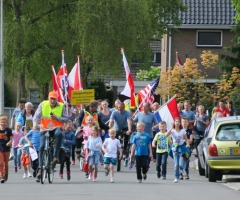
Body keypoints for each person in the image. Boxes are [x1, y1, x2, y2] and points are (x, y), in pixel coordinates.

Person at [33, 91, 68, 179]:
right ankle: (40, 168)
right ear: (48, 98)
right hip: (44, 128)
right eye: (51, 99)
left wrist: (57, 118)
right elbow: (36, 117)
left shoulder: (61, 106)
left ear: (57, 99)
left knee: (59, 134)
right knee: (41, 147)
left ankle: (55, 156)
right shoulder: (43, 104)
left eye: (54, 99)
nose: (52, 101)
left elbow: (66, 118)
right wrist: (36, 124)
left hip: (56, 128)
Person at [166, 117, 189, 183]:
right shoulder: (172, 130)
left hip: (182, 147)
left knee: (181, 164)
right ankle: (176, 177)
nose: (177, 123)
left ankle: (182, 169)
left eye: (178, 121)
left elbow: (186, 139)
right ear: (174, 123)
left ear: (180, 123)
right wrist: (171, 128)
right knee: (176, 164)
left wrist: (187, 144)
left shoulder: (183, 131)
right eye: (176, 121)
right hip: (175, 148)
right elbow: (166, 135)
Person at [0, 115, 13, 183]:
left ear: (6, 123)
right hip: (0, 148)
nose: (3, 123)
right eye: (2, 122)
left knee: (6, 164)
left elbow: (11, 139)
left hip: (6, 148)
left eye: (4, 122)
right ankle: (1, 175)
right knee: (1, 163)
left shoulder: (8, 130)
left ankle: (6, 174)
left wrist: (9, 143)